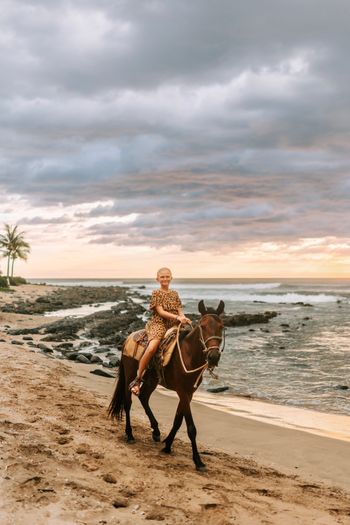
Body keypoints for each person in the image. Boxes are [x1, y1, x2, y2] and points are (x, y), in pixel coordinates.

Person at [129, 267, 191, 395]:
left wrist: (183, 317)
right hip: (159, 323)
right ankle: (138, 379)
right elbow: (161, 312)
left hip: (174, 324)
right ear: (157, 279)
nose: (165, 279)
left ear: (171, 278)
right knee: (152, 348)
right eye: (162, 277)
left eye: (167, 276)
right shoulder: (156, 293)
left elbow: (179, 309)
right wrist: (177, 317)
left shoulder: (174, 294)